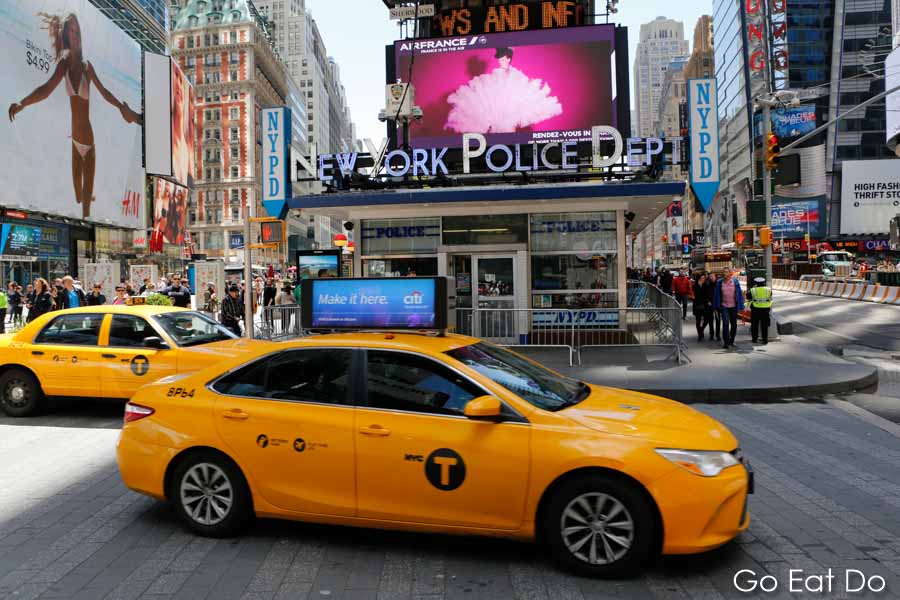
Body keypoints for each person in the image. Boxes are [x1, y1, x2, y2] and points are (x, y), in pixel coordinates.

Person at [8, 12, 142, 220]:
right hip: (75, 143)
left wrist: (125, 111)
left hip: (88, 144)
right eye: (70, 32)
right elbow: (46, 89)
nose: (75, 35)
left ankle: (90, 199)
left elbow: (105, 93)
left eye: (77, 31)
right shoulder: (64, 65)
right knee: (78, 197)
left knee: (85, 211)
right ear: (66, 37)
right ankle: (88, 195)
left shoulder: (87, 67)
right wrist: (22, 103)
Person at [445, 46, 562, 135]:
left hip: (509, 121)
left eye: (502, 58)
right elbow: (488, 99)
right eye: (499, 58)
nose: (500, 60)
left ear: (508, 58)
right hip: (494, 124)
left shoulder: (516, 76)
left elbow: (520, 98)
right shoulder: (491, 78)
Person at [712, 268, 745, 349]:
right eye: (724, 272)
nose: (724, 273)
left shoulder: (735, 282)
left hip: (733, 306)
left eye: (726, 272)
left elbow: (739, 294)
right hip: (724, 306)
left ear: (730, 273)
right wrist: (715, 307)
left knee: (734, 324)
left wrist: (741, 305)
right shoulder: (720, 282)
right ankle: (726, 343)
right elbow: (716, 295)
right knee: (725, 324)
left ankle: (732, 341)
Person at [747, 276, 773, 345]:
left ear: (756, 283)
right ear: (764, 283)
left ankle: (754, 339)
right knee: (764, 325)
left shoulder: (753, 290)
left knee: (755, 324)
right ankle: (765, 340)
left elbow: (748, 297)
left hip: (755, 309)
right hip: (765, 309)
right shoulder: (768, 289)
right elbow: (770, 296)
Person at [692, 273, 713, 342]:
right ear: (699, 278)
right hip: (697, 305)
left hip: (704, 305)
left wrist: (708, 300)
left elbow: (708, 294)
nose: (703, 279)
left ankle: (701, 330)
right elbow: (695, 296)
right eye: (702, 278)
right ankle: (700, 335)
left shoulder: (706, 285)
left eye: (704, 278)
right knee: (698, 321)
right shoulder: (694, 286)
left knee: (706, 319)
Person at [705, 273, 721, 342]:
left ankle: (717, 335)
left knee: (718, 320)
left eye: (712, 276)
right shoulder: (707, 285)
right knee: (710, 320)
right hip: (710, 305)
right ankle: (711, 334)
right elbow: (704, 294)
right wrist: (708, 301)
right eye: (710, 276)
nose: (711, 277)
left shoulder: (718, 284)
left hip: (717, 305)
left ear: (715, 276)